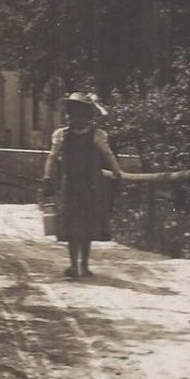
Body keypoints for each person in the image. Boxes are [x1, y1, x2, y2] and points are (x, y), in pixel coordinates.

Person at [41, 92, 123, 279]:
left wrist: (117, 171)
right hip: (69, 185)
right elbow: (52, 157)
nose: (76, 117)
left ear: (88, 115)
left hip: (90, 186)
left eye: (80, 113)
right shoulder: (62, 135)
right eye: (72, 113)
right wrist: (47, 177)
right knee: (70, 227)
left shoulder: (97, 136)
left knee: (86, 226)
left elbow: (108, 155)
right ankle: (73, 265)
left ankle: (84, 264)